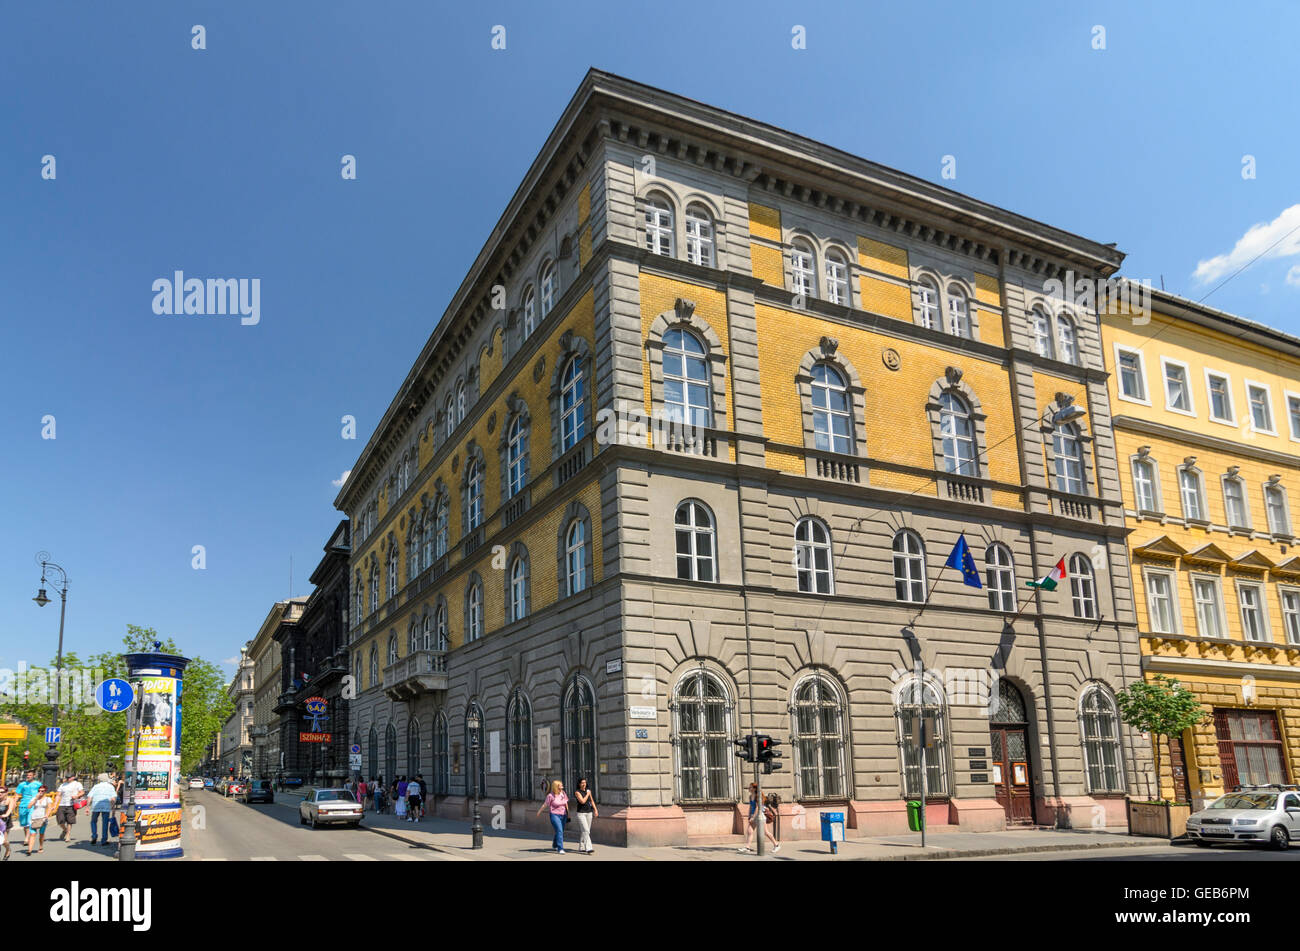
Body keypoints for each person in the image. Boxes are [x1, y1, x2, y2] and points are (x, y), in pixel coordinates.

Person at [535, 779, 569, 854]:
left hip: (563, 815)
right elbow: (545, 804)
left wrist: (568, 814)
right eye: (560, 785)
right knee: (559, 830)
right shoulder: (550, 796)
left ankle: (555, 844)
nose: (562, 787)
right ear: (556, 786)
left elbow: (566, 803)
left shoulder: (563, 793)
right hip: (554, 815)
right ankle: (560, 848)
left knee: (560, 831)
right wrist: (539, 811)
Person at [87, 773, 117, 846]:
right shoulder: (110, 787)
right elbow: (113, 799)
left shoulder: (96, 786)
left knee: (93, 821)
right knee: (105, 823)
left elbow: (90, 797)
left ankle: (94, 836)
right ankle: (104, 840)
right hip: (106, 806)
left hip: (96, 805)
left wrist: (87, 807)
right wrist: (113, 808)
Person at [572, 777, 598, 854]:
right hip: (581, 813)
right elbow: (582, 801)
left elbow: (592, 801)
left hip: (589, 812)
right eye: (582, 783)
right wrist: (587, 794)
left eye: (585, 782)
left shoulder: (588, 791)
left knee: (586, 831)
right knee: (586, 830)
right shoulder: (577, 792)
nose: (584, 784)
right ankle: (589, 848)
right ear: (579, 784)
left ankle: (581, 847)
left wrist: (595, 810)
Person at [25, 785, 53, 855]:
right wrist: (36, 798)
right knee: (32, 834)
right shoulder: (34, 798)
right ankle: (29, 850)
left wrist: (47, 815)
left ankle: (41, 846)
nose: (40, 792)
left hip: (43, 819)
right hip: (34, 818)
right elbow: (29, 806)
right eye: (39, 791)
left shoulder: (48, 799)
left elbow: (49, 808)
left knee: (41, 834)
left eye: (42, 791)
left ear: (45, 792)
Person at [56, 774, 84, 842]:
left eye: (69, 777)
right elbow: (58, 795)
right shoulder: (63, 785)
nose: (68, 778)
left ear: (73, 777)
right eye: (67, 777)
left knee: (70, 821)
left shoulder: (77, 784)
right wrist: (55, 804)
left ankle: (68, 835)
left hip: (71, 804)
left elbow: (82, 792)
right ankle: (65, 830)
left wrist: (77, 796)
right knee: (60, 820)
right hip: (62, 804)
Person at [14, 770, 40, 845]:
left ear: (34, 776)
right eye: (27, 775)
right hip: (23, 805)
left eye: (30, 775)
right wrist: (14, 803)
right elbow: (17, 794)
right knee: (24, 823)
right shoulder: (22, 784)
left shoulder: (38, 784)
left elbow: (42, 793)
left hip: (33, 805)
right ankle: (27, 837)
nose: (28, 776)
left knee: (29, 821)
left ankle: (27, 839)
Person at [739, 782, 761, 853]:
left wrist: (753, 817)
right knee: (749, 831)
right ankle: (747, 847)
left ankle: (776, 844)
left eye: (750, 787)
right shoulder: (750, 796)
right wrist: (749, 815)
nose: (749, 788)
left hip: (758, 815)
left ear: (754, 789)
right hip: (752, 815)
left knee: (766, 832)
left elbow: (757, 807)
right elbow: (751, 806)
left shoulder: (757, 796)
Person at [0, 785, 15, 861]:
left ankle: (8, 849)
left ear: (6, 793)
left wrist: (6, 814)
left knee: (3, 841)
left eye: (2, 792)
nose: (0, 794)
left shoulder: (9, 800)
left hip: (5, 822)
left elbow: (10, 809)